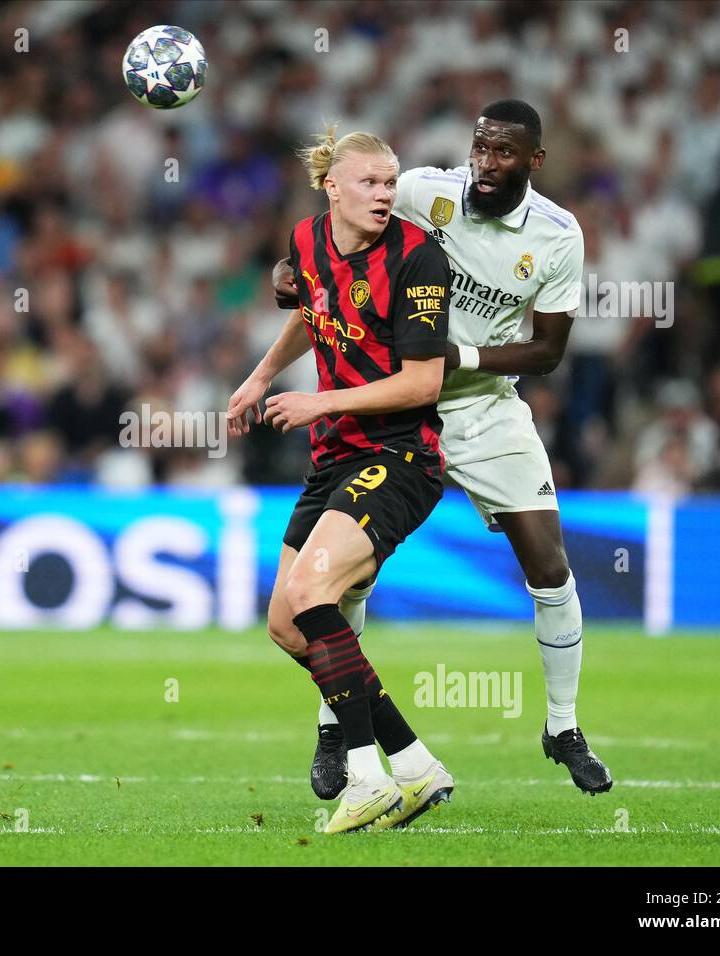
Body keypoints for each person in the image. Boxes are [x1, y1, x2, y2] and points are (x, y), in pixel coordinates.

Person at [273, 100, 613, 796]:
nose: (485, 165)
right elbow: (340, 258)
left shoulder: (557, 235)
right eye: (480, 149)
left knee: (549, 566)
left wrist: (450, 354)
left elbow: (547, 351)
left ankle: (563, 726)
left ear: (534, 161)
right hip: (393, 410)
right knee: (345, 579)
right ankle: (336, 727)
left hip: (484, 406)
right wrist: (289, 274)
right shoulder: (426, 192)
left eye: (503, 154)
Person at [227, 127, 453, 833]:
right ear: (332, 188)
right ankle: (413, 765)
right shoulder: (307, 240)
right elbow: (311, 307)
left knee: (309, 592)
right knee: (286, 627)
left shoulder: (419, 259)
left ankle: (366, 777)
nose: (385, 194)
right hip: (336, 457)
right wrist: (263, 373)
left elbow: (422, 382)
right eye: (369, 183)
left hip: (402, 457)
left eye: (390, 183)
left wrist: (317, 400)